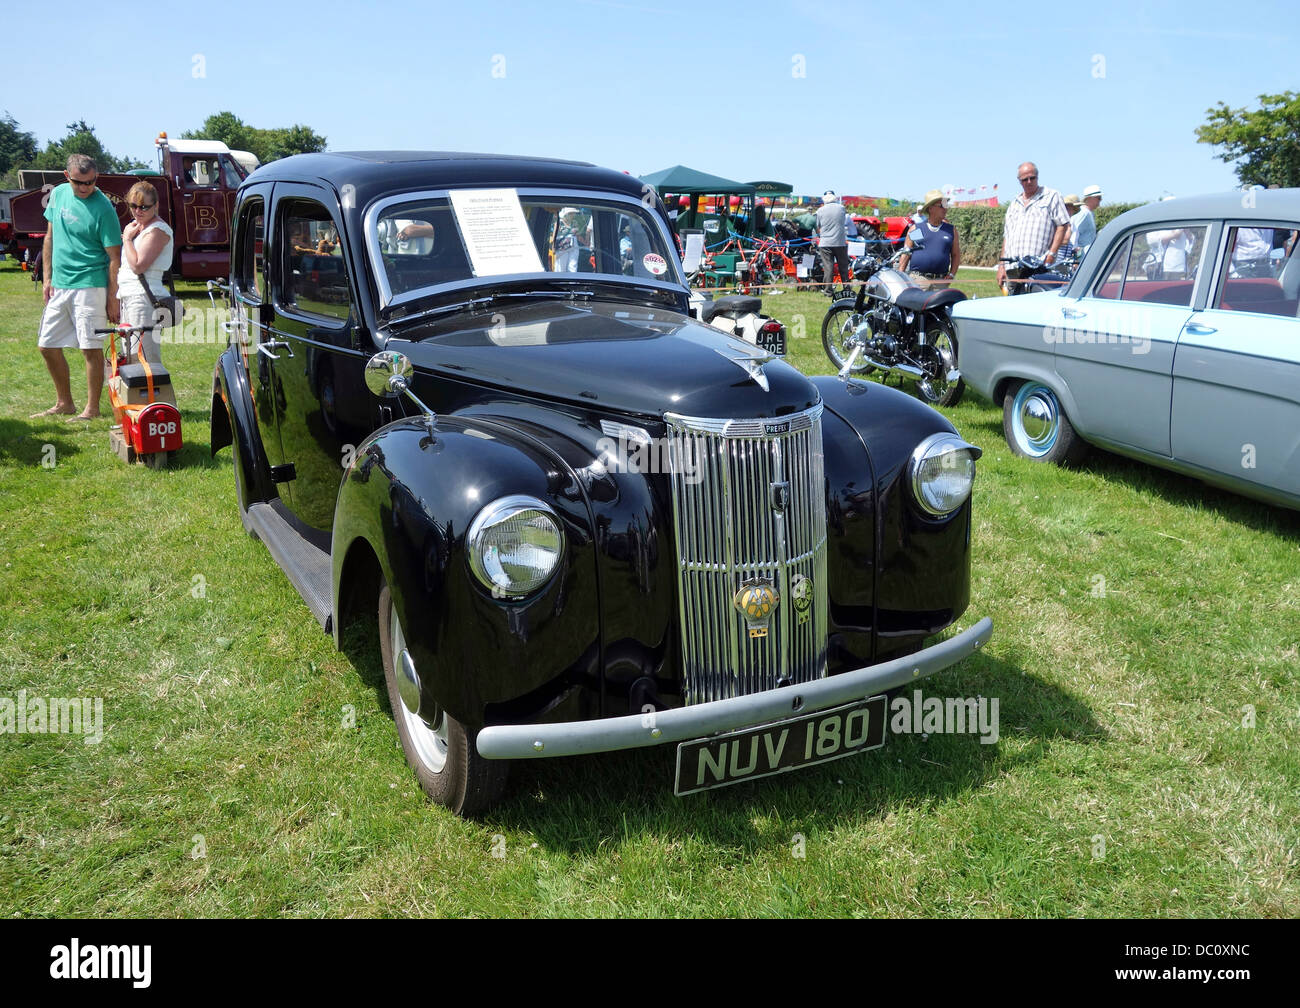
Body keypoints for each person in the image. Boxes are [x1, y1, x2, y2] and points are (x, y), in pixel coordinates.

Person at [33, 154, 121, 420]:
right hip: (60, 284)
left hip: (90, 285)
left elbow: (114, 258)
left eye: (90, 182)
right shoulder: (58, 194)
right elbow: (49, 238)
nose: (85, 188)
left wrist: (112, 298)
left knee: (90, 348)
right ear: (66, 175)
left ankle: (91, 409)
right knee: (46, 345)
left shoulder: (104, 208)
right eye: (78, 182)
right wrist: (47, 279)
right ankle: (64, 403)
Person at [117, 181, 174, 364]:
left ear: (156, 205)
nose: (138, 211)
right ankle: (138, 392)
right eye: (133, 206)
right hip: (130, 296)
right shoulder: (137, 227)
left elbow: (138, 265)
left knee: (145, 358)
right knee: (130, 356)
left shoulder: (157, 230)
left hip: (143, 298)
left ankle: (153, 392)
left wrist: (126, 239)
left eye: (144, 207)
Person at [997, 161, 1070, 291]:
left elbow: (1062, 225)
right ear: (1019, 181)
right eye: (1025, 179)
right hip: (1013, 269)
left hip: (1039, 267)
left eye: (1032, 178)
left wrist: (1051, 254)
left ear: (1037, 177)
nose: (1029, 181)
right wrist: (1001, 266)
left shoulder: (1051, 196)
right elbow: (1007, 237)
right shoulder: (1014, 204)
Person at [899, 189, 961, 289]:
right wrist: (900, 276)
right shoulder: (917, 229)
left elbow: (956, 254)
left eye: (946, 205)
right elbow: (906, 253)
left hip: (941, 282)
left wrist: (952, 275)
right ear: (930, 208)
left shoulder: (951, 230)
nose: (945, 209)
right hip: (918, 281)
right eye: (942, 206)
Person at [815, 190, 850, 291]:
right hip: (840, 242)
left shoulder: (820, 211)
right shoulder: (842, 208)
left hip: (825, 243)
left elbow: (818, 226)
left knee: (828, 267)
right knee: (843, 267)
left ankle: (828, 290)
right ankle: (847, 289)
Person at [1072, 184, 1102, 252]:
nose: (1100, 200)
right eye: (1099, 198)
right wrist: (1075, 252)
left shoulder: (1089, 213)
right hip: (1081, 256)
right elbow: (1074, 232)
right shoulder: (1084, 213)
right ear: (1090, 198)